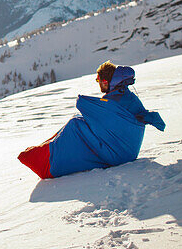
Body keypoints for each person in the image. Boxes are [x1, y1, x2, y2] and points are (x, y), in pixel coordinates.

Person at [18, 61, 165, 179]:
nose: (99, 83)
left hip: (119, 154)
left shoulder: (115, 100)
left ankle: (47, 162)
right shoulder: (127, 96)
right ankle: (45, 152)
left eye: (99, 80)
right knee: (77, 121)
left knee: (75, 126)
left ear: (107, 82)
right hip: (128, 151)